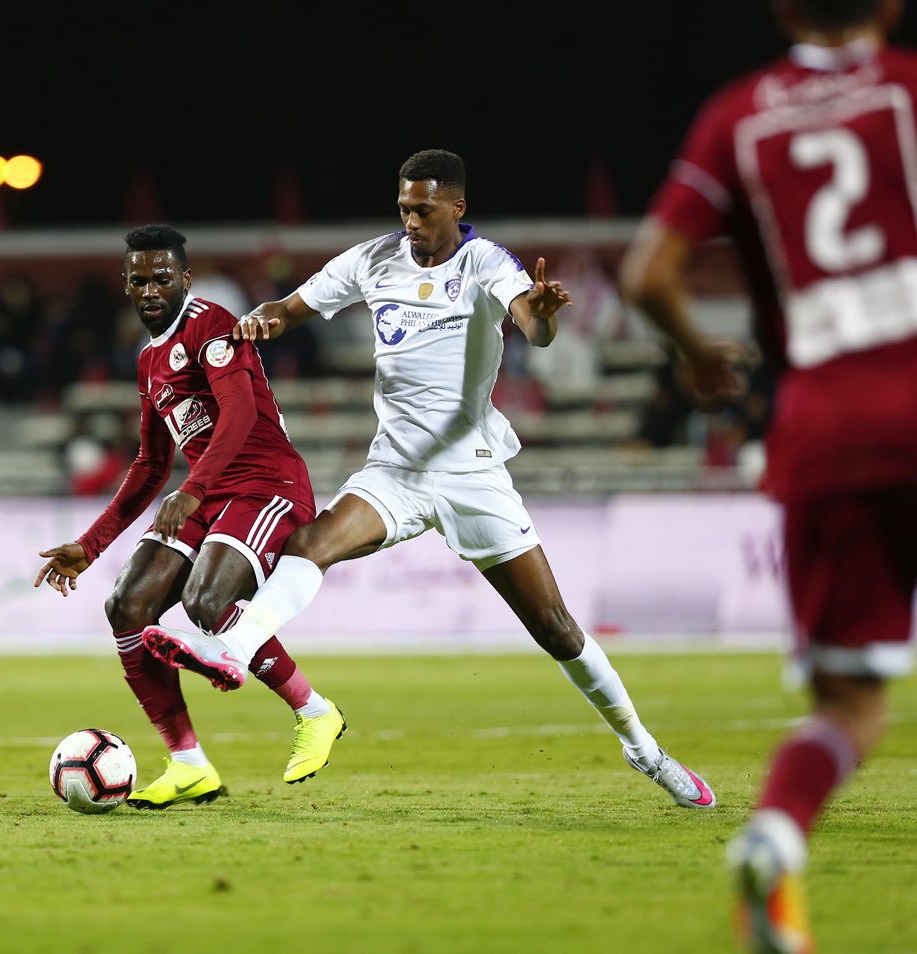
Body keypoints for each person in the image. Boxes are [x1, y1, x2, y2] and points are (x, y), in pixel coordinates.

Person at [141, 149, 717, 812]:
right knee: (310, 545)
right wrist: (264, 319)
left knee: (555, 627)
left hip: (472, 476)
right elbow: (291, 305)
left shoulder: (485, 263)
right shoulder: (373, 260)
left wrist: (546, 313)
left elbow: (533, 325)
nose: (410, 221)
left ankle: (645, 749)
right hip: (396, 471)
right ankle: (234, 648)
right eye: (404, 208)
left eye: (423, 209)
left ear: (456, 207)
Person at [618, 2, 917, 950]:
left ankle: (778, 835)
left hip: (824, 431)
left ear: (784, 8)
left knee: (849, 707)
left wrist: (704, 360)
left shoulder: (738, 115)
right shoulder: (908, 89)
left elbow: (646, 273)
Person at [34, 224, 346, 808]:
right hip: (207, 493)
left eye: (161, 278)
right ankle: (188, 763)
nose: (149, 289)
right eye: (138, 280)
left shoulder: (212, 324)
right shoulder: (149, 359)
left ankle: (317, 711)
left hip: (265, 485)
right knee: (127, 605)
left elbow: (238, 412)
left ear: (186, 277)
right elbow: (151, 465)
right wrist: (91, 544)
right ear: (125, 286)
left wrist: (195, 489)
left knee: (206, 602)